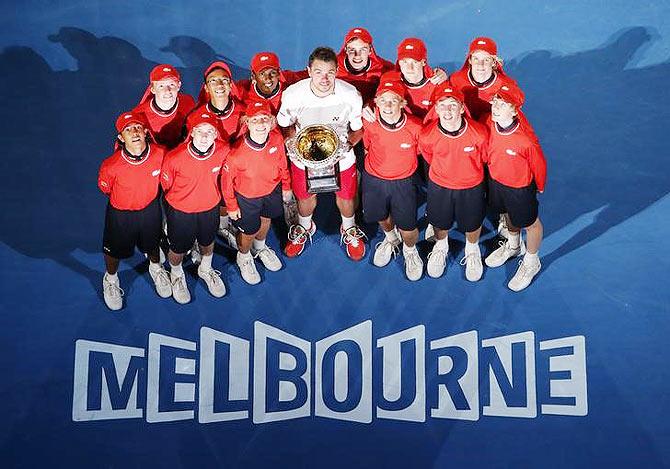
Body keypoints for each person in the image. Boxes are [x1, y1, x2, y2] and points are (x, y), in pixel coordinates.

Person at [277, 46, 366, 260]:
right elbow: (284, 124)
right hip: (303, 156)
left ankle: (349, 228)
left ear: (337, 71)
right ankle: (305, 227)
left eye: (330, 72)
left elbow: (358, 129)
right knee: (305, 197)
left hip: (341, 156)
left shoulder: (350, 95)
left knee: (346, 197)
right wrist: (291, 142)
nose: (324, 78)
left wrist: (348, 145)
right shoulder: (293, 95)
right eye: (318, 72)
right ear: (309, 71)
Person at [98, 111, 171, 311]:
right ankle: (111, 279)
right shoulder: (110, 165)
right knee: (114, 250)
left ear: (146, 132)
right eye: (128, 130)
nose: (135, 132)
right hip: (120, 214)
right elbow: (106, 188)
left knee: (153, 243)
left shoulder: (160, 153)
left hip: (149, 209)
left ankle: (156, 268)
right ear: (121, 138)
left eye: (138, 127)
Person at [418, 84, 489, 281]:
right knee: (440, 220)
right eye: (442, 105)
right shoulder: (427, 134)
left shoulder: (479, 133)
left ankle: (472, 249)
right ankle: (441, 246)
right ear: (436, 109)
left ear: (461, 107)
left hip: (471, 186)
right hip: (440, 185)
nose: (447, 110)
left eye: (452, 105)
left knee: (472, 222)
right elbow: (429, 156)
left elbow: (483, 158)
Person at [483, 83, 546, 291]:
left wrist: (539, 186)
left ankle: (531, 261)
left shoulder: (525, 141)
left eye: (503, 104)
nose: (496, 107)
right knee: (507, 214)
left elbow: (539, 164)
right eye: (496, 102)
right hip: (496, 182)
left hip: (519, 188)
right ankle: (513, 245)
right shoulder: (489, 123)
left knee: (531, 223)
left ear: (514, 109)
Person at [221, 100, 292, 284]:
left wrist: (286, 186)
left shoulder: (276, 138)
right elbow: (226, 182)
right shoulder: (236, 153)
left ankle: (260, 248)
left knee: (266, 219)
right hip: (247, 199)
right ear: (247, 122)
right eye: (255, 120)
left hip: (271, 192)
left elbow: (283, 163)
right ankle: (244, 256)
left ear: (272, 122)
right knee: (249, 230)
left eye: (264, 119)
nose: (261, 124)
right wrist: (231, 205)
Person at [161, 111, 229, 303]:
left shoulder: (224, 151)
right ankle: (176, 274)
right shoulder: (174, 157)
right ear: (191, 133)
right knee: (178, 248)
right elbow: (166, 185)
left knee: (208, 241)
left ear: (216, 134)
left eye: (210, 131)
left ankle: (205, 269)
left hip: (210, 209)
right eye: (200, 131)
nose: (205, 136)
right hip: (181, 212)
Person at [362, 72, 423, 280]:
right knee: (381, 216)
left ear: (403, 103)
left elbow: (421, 153)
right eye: (383, 100)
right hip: (374, 180)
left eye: (393, 100)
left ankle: (410, 250)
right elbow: (367, 145)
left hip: (403, 183)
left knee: (408, 227)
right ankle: (390, 239)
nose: (387, 106)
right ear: (376, 101)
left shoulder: (415, 127)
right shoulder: (369, 121)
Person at [191, 61, 245, 248]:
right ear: (206, 88)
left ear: (231, 85)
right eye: (214, 81)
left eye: (224, 80)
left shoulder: (243, 111)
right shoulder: (195, 117)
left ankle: (223, 227)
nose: (220, 85)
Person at [133, 64, 196, 149]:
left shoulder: (188, 102)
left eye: (171, 84)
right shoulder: (138, 115)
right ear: (153, 89)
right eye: (161, 86)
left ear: (179, 86)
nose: (167, 91)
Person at [336, 27, 394, 105]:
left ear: (370, 50)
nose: (357, 55)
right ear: (346, 49)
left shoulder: (384, 68)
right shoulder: (332, 66)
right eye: (352, 50)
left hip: (370, 113)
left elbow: (395, 91)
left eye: (363, 49)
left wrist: (372, 104)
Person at [238, 52, 308, 115]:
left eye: (272, 72)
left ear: (279, 72)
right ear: (253, 76)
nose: (268, 78)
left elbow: (312, 74)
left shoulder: (288, 80)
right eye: (262, 74)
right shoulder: (243, 92)